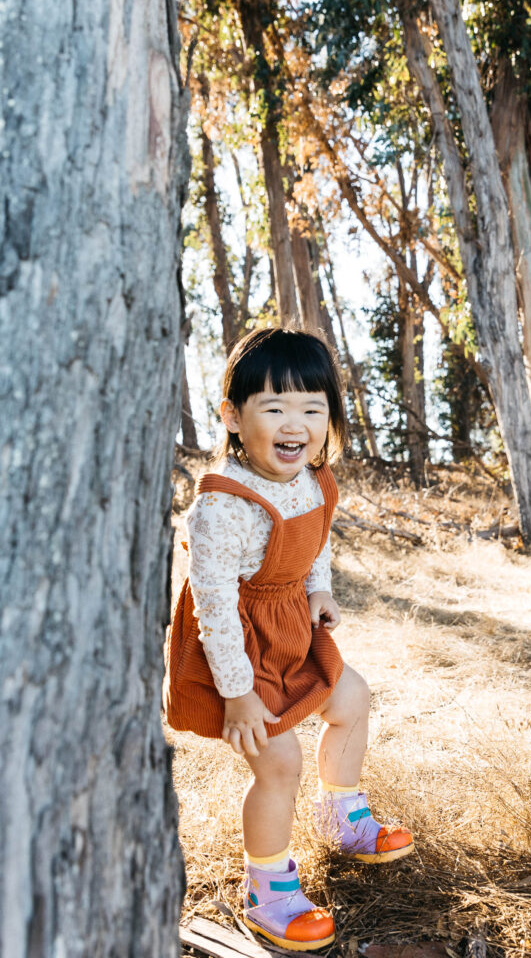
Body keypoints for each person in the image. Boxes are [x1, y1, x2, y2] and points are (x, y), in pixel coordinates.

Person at [163, 326, 414, 951]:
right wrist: (239, 693)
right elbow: (213, 608)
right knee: (279, 761)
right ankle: (268, 888)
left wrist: (319, 588)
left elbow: (316, 538)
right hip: (237, 647)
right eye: (274, 407)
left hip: (292, 623)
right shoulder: (221, 507)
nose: (295, 423)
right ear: (232, 417)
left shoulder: (312, 479)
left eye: (312, 407)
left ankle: (343, 817)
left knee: (351, 697)